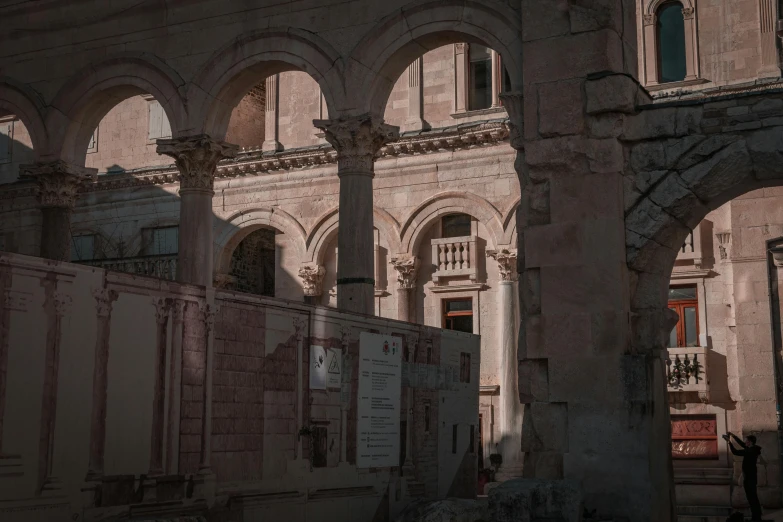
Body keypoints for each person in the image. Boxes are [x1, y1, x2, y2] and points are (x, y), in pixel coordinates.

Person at [724, 431, 763, 521]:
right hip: (749, 477)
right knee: (752, 497)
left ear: (750, 442)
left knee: (752, 497)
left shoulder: (750, 451)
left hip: (750, 478)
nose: (745, 442)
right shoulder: (751, 448)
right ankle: (756, 515)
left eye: (747, 441)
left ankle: (756, 517)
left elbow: (735, 452)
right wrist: (733, 436)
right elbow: (741, 443)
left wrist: (729, 442)